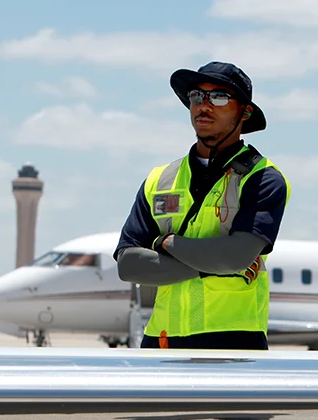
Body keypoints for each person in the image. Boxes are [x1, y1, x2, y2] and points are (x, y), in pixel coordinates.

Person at [113, 61, 290, 350]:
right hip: (162, 340)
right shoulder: (160, 179)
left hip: (234, 342)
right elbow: (129, 266)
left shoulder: (264, 179)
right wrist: (211, 264)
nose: (203, 105)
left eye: (219, 97)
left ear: (245, 111)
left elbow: (235, 258)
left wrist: (164, 243)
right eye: (197, 96)